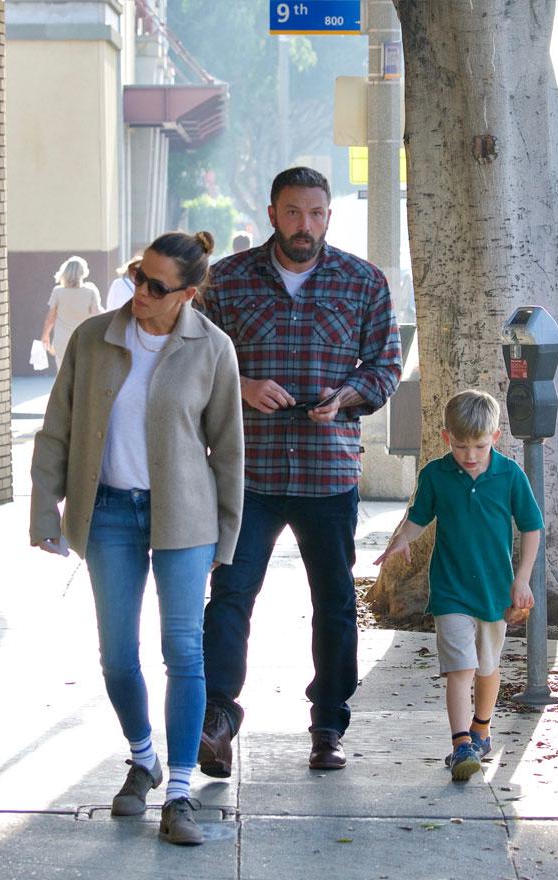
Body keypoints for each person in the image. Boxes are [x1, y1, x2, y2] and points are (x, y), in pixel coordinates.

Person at [30, 230, 244, 846]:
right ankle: (142, 756)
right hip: (109, 516)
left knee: (183, 651)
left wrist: (225, 540)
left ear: (188, 294)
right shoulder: (94, 338)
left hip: (185, 517)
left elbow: (228, 451)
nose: (140, 293)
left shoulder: (213, 349)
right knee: (118, 653)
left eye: (156, 286)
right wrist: (47, 509)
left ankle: (179, 793)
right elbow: (57, 429)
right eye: (136, 276)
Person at [197, 166, 402, 775]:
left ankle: (329, 725)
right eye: (292, 212)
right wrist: (241, 385)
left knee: (336, 602)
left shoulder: (364, 282)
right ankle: (217, 717)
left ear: (329, 216)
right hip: (248, 473)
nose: (304, 225)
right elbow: (192, 362)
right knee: (230, 596)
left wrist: (347, 397)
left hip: (327, 471)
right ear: (271, 213)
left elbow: (385, 366)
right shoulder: (226, 281)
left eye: (315, 213)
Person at [373, 391, 543, 781]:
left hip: (494, 590)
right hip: (450, 590)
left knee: (487, 667)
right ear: (446, 436)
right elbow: (418, 516)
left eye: (479, 446)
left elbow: (532, 526)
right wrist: (403, 537)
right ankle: (461, 744)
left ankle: (482, 729)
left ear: (496, 438)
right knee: (459, 668)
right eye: (461, 445)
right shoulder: (435, 474)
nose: (470, 454)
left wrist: (522, 579)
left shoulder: (510, 475)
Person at [41, 256, 103, 369]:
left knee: (63, 373)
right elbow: (97, 316)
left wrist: (45, 336)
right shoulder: (90, 292)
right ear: (83, 273)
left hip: (62, 341)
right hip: (84, 340)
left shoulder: (58, 291)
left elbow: (50, 318)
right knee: (81, 373)